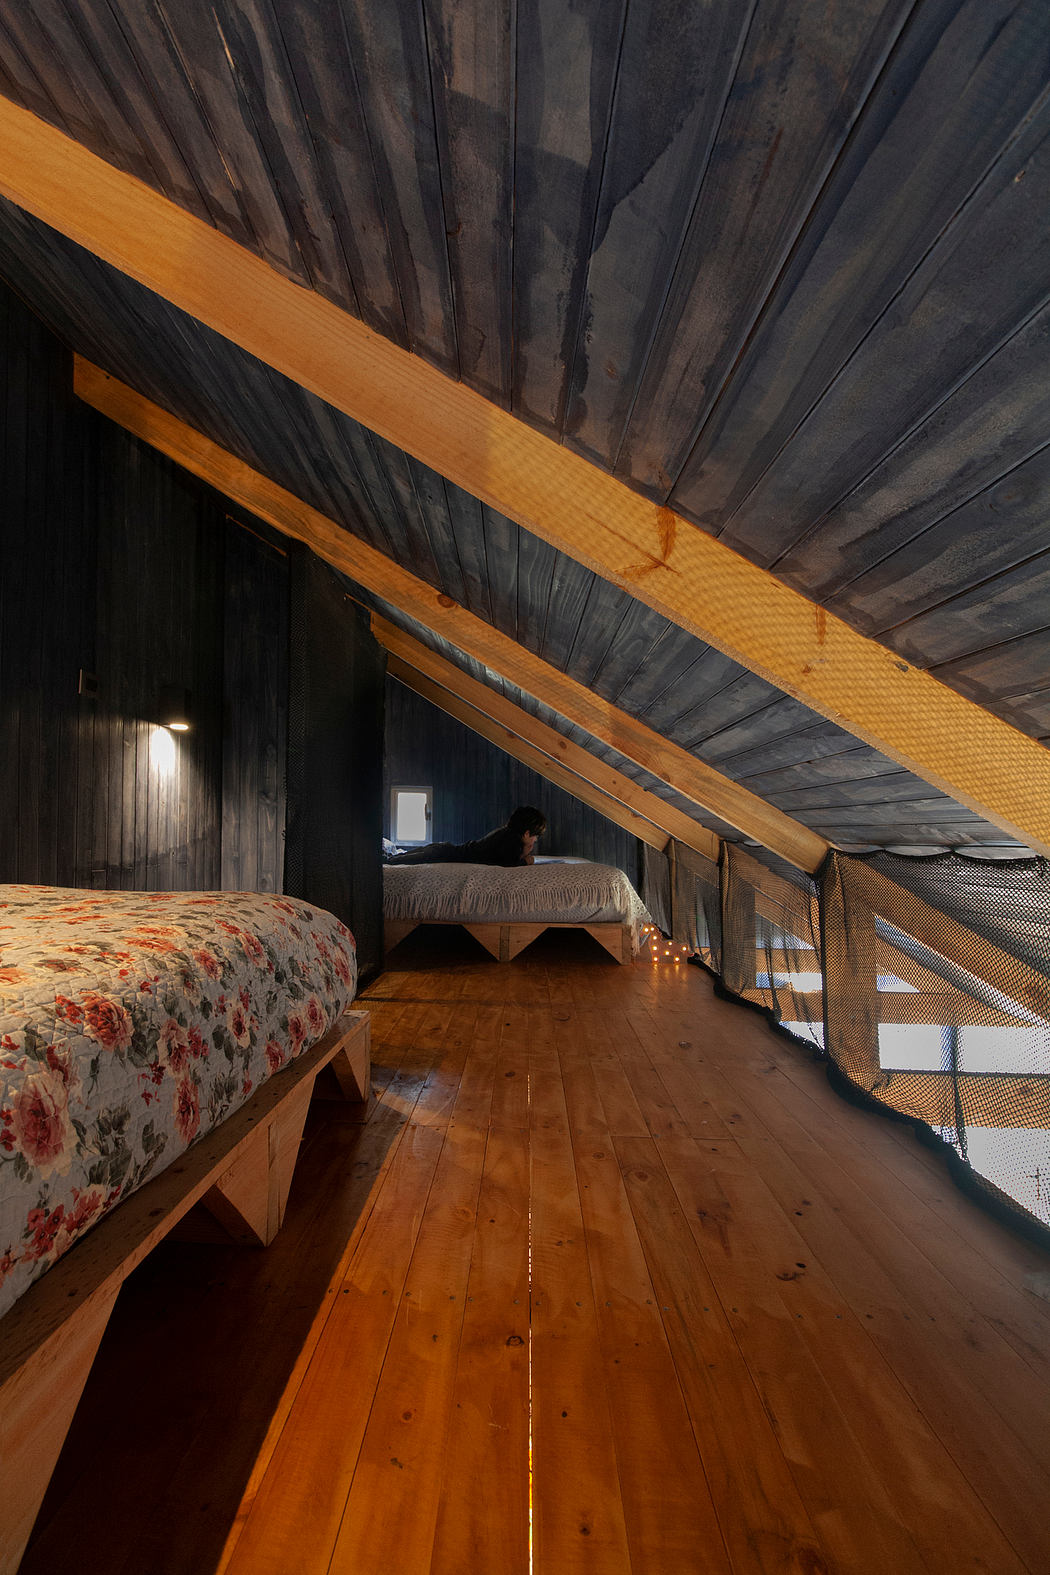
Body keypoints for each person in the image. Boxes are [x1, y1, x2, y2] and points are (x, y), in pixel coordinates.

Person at [385, 806, 547, 866]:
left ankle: (393, 857)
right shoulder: (512, 841)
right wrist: (525, 859)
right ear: (526, 833)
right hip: (452, 854)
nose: (534, 841)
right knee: (423, 856)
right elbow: (507, 863)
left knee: (426, 852)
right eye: (535, 837)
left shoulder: (505, 832)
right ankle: (391, 859)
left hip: (452, 850)